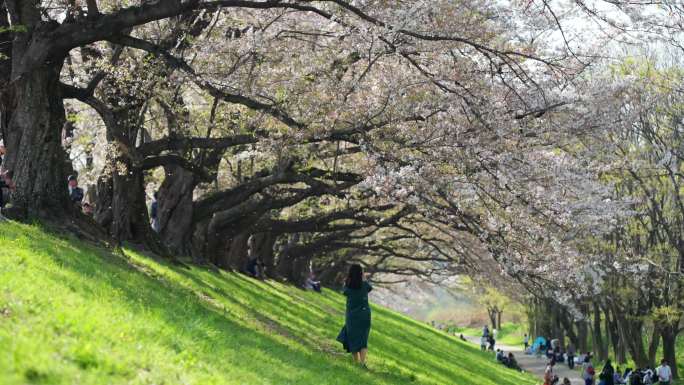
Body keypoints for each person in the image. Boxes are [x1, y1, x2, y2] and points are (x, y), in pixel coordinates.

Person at [336, 264, 373, 367]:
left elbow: (344, 292)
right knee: (363, 339)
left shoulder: (348, 285)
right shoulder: (365, 285)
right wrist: (364, 278)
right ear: (361, 273)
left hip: (352, 315)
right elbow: (369, 288)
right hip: (365, 314)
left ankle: (356, 362)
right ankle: (362, 363)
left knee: (352, 337)